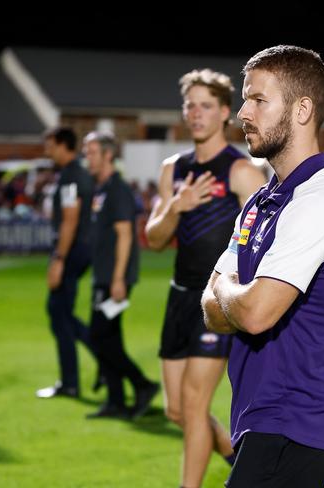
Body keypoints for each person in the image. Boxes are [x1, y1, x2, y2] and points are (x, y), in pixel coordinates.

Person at [202, 45, 324, 488]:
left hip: (295, 424)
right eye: (244, 98)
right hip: (259, 416)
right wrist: (235, 296)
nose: (241, 113)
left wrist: (230, 291)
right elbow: (210, 309)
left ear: (302, 109)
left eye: (257, 99)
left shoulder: (321, 200)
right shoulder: (261, 200)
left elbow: (252, 313)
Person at [145, 69, 265, 487]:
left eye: (206, 106)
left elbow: (263, 244)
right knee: (176, 411)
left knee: (195, 407)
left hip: (214, 301)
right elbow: (154, 238)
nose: (196, 113)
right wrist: (175, 207)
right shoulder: (172, 169)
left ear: (225, 113)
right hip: (177, 299)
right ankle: (242, 462)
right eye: (190, 105)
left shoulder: (242, 172)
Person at [84, 131, 159, 418]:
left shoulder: (117, 190)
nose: (87, 157)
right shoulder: (101, 189)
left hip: (114, 278)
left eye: (91, 152)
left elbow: (125, 236)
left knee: (99, 336)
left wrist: (118, 279)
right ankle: (116, 399)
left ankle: (142, 384)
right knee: (108, 339)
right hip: (103, 275)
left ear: (107, 155)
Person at [37, 127, 95, 399]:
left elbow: (70, 219)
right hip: (78, 250)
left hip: (71, 252)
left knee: (59, 313)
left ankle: (71, 382)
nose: (46, 150)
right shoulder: (74, 174)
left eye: (50, 145)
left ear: (63, 145)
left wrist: (58, 259)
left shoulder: (72, 176)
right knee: (61, 315)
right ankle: (102, 356)